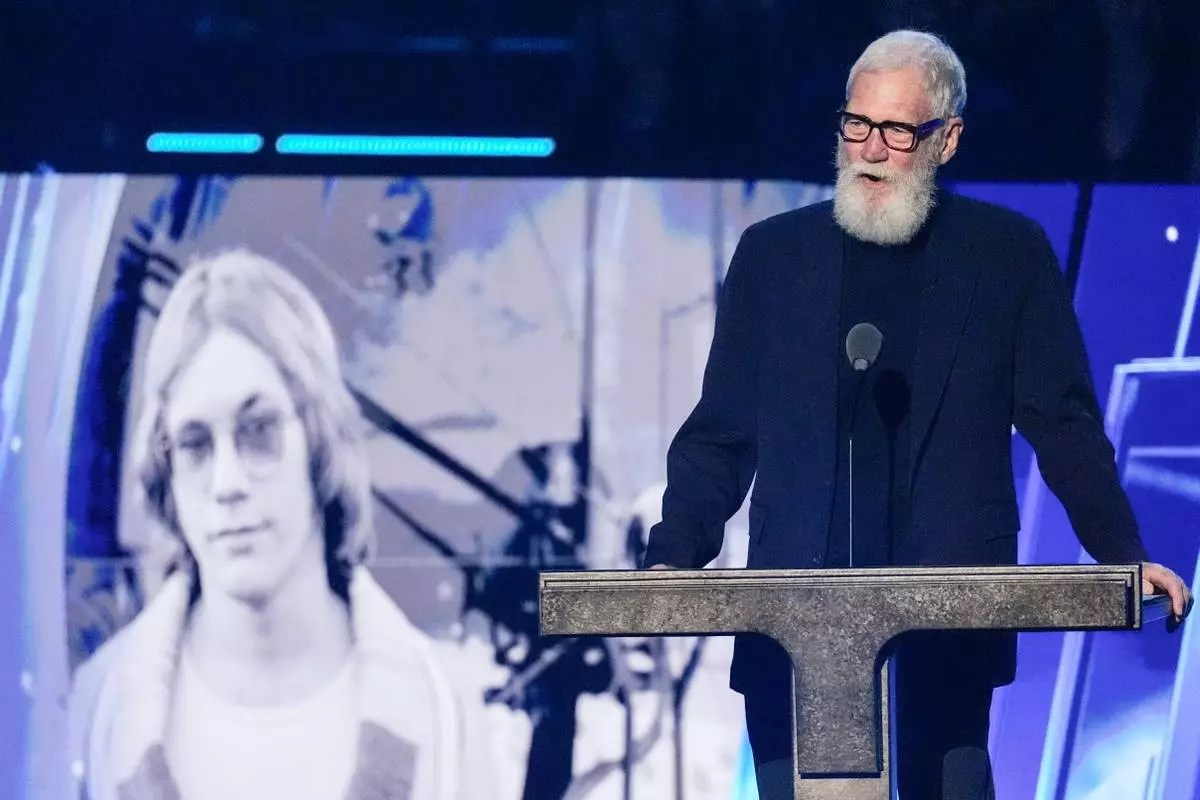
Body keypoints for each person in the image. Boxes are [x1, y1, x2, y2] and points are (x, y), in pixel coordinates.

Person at [642, 29, 1194, 800]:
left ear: (948, 139)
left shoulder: (1007, 257)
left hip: (948, 631)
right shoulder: (774, 257)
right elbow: (722, 431)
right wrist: (672, 558)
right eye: (856, 125)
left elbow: (1063, 424)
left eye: (898, 131)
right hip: (792, 630)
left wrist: (1120, 554)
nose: (870, 149)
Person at [68, 249, 492, 800]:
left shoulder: (444, 712)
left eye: (259, 429)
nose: (227, 483)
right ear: (165, 468)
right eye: (195, 444)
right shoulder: (97, 716)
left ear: (319, 438)